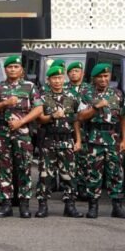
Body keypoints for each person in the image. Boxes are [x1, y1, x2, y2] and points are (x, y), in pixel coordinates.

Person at [0, 55, 44, 218]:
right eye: (10, 67)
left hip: (23, 133)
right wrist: (5, 103)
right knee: (3, 168)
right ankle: (6, 204)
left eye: (16, 67)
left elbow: (38, 109)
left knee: (24, 167)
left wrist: (22, 122)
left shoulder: (29, 87)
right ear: (5, 69)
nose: (13, 70)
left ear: (21, 70)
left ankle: (24, 204)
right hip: (3, 133)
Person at [78, 63, 125, 218]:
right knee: (94, 173)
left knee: (116, 173)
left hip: (113, 139)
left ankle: (117, 206)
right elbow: (81, 117)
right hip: (94, 139)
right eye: (100, 77)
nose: (103, 79)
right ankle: (93, 206)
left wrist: (124, 139)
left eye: (106, 76)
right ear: (94, 78)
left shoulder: (117, 94)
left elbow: (122, 117)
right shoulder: (86, 94)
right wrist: (96, 107)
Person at [35, 64, 82, 218]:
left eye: (60, 78)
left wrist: (78, 140)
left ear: (64, 79)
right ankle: (43, 205)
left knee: (69, 175)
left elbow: (76, 120)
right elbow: (39, 119)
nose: (57, 81)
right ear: (48, 80)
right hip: (48, 140)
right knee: (45, 175)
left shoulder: (72, 97)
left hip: (67, 141)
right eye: (54, 78)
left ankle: (70, 206)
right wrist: (52, 117)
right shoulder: (42, 97)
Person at [65, 61, 92, 200]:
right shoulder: (64, 88)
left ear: (82, 73)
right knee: (69, 161)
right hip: (67, 129)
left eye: (77, 71)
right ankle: (70, 190)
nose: (74, 73)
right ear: (68, 74)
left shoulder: (89, 89)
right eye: (71, 71)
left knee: (84, 160)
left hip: (86, 129)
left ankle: (83, 188)